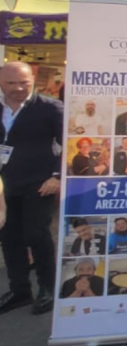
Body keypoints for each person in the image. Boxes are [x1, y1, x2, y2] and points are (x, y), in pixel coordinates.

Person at [0, 62, 62, 315]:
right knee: (8, 237)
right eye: (10, 83)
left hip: (40, 183)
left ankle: (47, 289)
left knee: (37, 235)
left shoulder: (50, 108)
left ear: (32, 80)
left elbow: (68, 143)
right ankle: (20, 291)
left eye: (23, 83)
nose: (18, 88)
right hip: (5, 184)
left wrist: (57, 176)